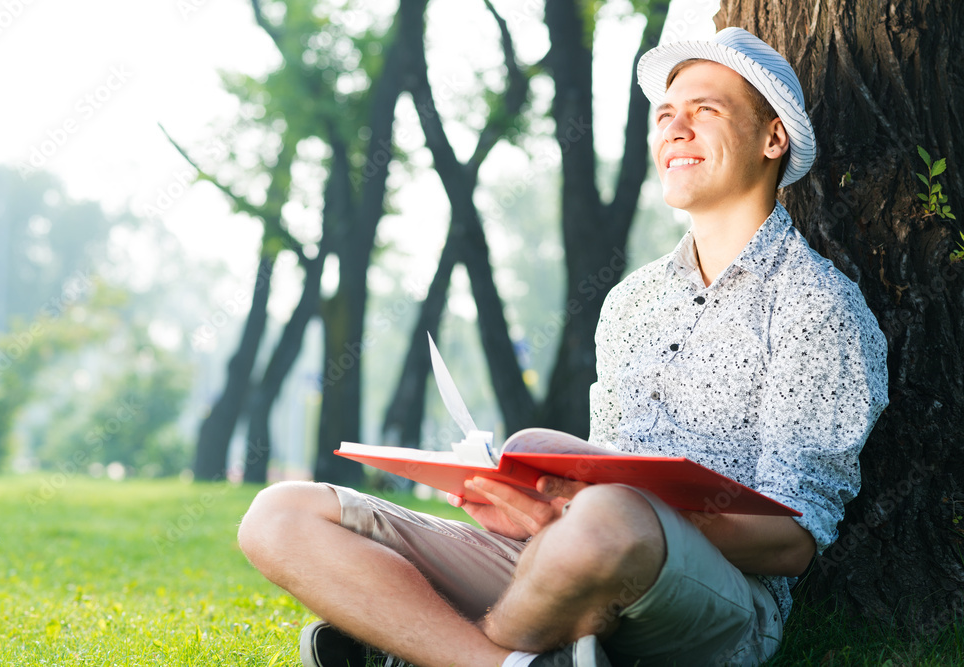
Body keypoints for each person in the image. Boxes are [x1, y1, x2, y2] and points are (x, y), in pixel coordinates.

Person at [236, 27, 888, 667]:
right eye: (663, 115)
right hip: (565, 561)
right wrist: (537, 501)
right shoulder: (631, 302)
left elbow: (794, 542)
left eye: (704, 110)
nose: (674, 130)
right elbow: (605, 469)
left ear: (773, 137)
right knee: (281, 514)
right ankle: (503, 660)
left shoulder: (817, 306)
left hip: (717, 602)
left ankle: (410, 645)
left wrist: (607, 514)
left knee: (608, 517)